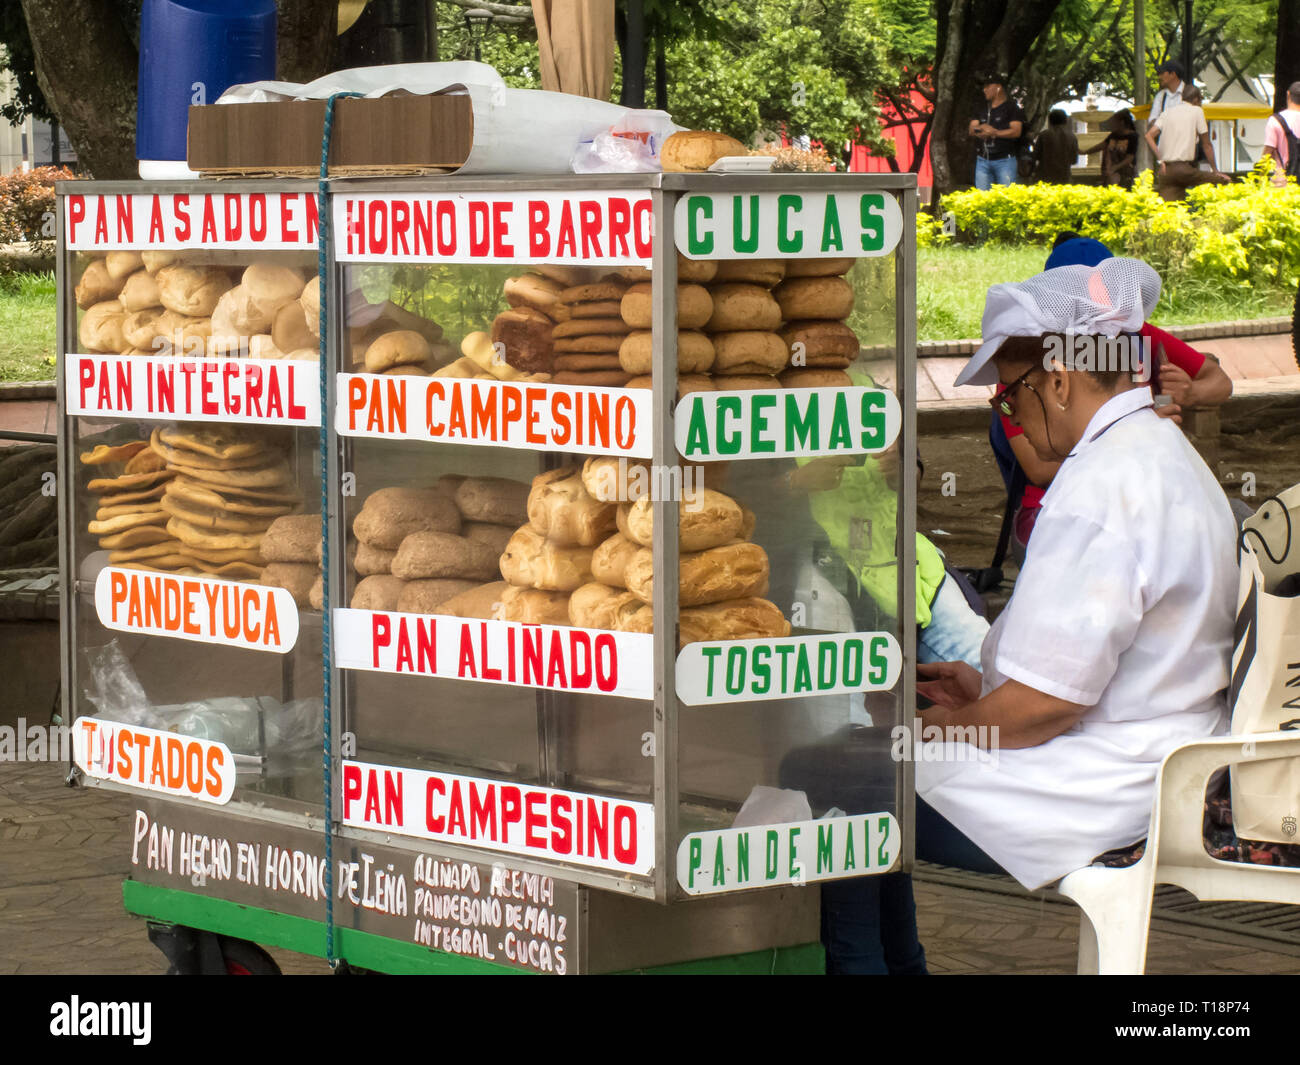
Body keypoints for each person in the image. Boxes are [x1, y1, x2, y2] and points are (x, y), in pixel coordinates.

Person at [820, 258, 1239, 973]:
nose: (1007, 416)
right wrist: (981, 688)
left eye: (1009, 398)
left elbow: (1046, 705)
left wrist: (947, 724)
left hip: (1101, 780)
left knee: (837, 776)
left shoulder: (1103, 484)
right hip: (1149, 751)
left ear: (1058, 379)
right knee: (858, 768)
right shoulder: (1159, 450)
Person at [987, 233, 1233, 561]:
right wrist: (1134, 433)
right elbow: (1040, 469)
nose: (1096, 321)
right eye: (1081, 305)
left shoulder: (1137, 336)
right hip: (1057, 503)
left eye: (1101, 302)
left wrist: (1189, 392)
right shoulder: (1022, 370)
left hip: (1140, 493)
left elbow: (1220, 383)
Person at [1144, 84, 1231, 201]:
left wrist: (1160, 160)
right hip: (1183, 170)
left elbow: (1149, 135)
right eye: (1200, 101)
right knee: (1224, 180)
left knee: (1170, 210)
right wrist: (1215, 171)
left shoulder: (1167, 112)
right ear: (1196, 99)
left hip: (1166, 172)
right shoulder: (1197, 111)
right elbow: (1207, 145)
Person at [968, 74, 1025, 190]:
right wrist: (982, 127)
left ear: (998, 87)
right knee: (982, 199)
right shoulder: (981, 108)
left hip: (1005, 160)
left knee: (1006, 198)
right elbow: (971, 129)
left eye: (988, 86)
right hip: (983, 161)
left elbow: (1016, 131)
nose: (984, 89)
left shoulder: (1012, 108)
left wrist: (994, 133)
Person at [1261, 81, 1300, 186]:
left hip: (1282, 182)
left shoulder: (1276, 120)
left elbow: (1267, 153)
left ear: (1288, 94)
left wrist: (1260, 178)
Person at [1033, 108, 1077, 184]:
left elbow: (1036, 155)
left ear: (1050, 120)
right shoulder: (1072, 136)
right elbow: (1074, 160)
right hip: (1064, 176)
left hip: (1044, 176)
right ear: (1065, 120)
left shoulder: (1044, 135)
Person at [1100, 108, 1139, 189]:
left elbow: (1130, 157)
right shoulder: (1113, 135)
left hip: (1126, 173)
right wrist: (1084, 152)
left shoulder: (1133, 137)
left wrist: (1115, 168)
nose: (1111, 124)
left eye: (1114, 121)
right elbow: (1102, 145)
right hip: (1111, 171)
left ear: (1121, 122)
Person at [1148, 60, 1187, 127]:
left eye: (1162, 73)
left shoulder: (1189, 92)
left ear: (1172, 74)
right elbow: (1152, 119)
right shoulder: (1160, 96)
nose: (1159, 77)